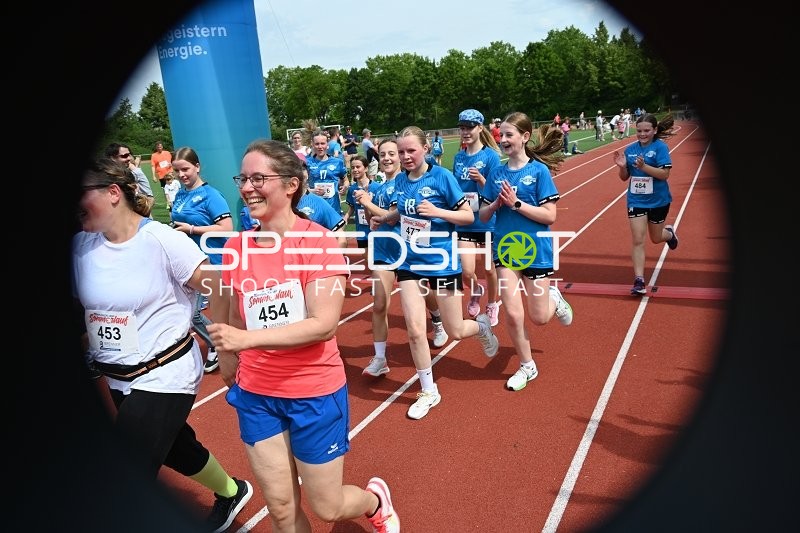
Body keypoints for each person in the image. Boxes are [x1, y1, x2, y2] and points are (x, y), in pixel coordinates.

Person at [207, 139, 400, 533]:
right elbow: (226, 311)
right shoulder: (236, 247)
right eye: (243, 178)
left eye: (258, 178)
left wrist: (244, 343)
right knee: (280, 508)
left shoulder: (317, 243)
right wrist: (228, 359)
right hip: (257, 394)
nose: (246, 187)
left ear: (291, 185)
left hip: (312, 391)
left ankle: (374, 501)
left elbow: (322, 324)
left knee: (327, 506)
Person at [73, 158, 253, 533]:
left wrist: (226, 351)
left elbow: (219, 288)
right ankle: (232, 491)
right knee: (174, 447)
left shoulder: (160, 240)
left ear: (112, 193)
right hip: (118, 376)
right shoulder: (81, 247)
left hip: (165, 371)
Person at [371, 126, 499, 420]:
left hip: (441, 262)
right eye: (401, 152)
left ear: (426, 148)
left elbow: (468, 216)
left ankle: (480, 326)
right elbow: (404, 213)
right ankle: (429, 390)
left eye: (410, 150)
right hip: (409, 264)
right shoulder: (401, 181)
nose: (405, 157)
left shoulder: (442, 177)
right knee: (416, 330)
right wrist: (384, 218)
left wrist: (439, 213)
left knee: (455, 330)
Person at [479, 113, 574, 391]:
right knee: (512, 313)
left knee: (539, 318)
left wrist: (517, 203)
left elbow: (549, 215)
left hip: (535, 250)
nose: (504, 139)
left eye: (510, 135)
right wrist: (496, 204)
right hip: (506, 250)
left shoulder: (538, 172)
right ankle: (526, 365)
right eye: (501, 135)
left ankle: (554, 299)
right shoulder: (496, 173)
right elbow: (483, 216)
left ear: (524, 137)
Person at [356, 138, 449, 378]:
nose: (386, 158)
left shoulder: (403, 185)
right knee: (379, 303)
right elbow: (374, 219)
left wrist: (370, 205)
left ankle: (437, 320)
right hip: (383, 251)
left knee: (425, 292)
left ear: (399, 158)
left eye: (391, 154)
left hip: (408, 250)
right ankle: (379, 358)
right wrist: (368, 207)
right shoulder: (376, 187)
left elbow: (393, 217)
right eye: (383, 154)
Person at [170, 146, 234, 372]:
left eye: (185, 169)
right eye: (177, 171)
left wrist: (192, 229)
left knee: (199, 313)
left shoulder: (211, 195)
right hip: (188, 263)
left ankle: (221, 345)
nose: (181, 175)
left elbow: (227, 228)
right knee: (191, 312)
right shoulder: (180, 194)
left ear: (197, 166)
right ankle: (222, 343)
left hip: (212, 261)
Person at [612, 113, 678, 296]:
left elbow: (664, 175)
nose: (642, 134)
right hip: (636, 200)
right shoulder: (630, 149)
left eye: (647, 130)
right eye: (639, 131)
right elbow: (625, 178)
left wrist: (644, 167)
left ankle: (669, 234)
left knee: (656, 238)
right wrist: (622, 167)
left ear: (655, 130)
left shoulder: (660, 148)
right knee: (638, 239)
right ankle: (639, 280)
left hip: (659, 200)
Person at [452, 109, 503, 327]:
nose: (465, 132)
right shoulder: (458, 157)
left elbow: (497, 189)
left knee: (490, 269)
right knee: (467, 271)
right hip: (465, 221)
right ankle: (476, 290)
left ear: (480, 128)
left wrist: (482, 180)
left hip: (487, 220)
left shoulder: (491, 156)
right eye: (462, 128)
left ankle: (492, 304)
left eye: (470, 127)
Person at [104, 142, 155, 216]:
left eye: (129, 155)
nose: (129, 158)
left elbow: (150, 199)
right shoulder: (104, 179)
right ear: (112, 158)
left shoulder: (132, 175)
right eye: (124, 156)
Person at [345, 154, 381, 255]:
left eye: (358, 167)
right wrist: (346, 217)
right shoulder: (352, 189)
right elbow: (352, 206)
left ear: (365, 168)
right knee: (367, 260)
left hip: (375, 230)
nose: (355, 170)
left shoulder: (377, 187)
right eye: (352, 167)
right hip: (361, 231)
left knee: (378, 261)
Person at [306, 130, 349, 216]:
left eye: (323, 143)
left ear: (327, 145)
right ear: (312, 144)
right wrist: (311, 191)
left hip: (333, 208)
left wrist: (345, 187)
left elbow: (346, 180)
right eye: (317, 144)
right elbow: (301, 187)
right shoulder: (306, 162)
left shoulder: (337, 162)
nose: (320, 146)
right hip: (314, 208)